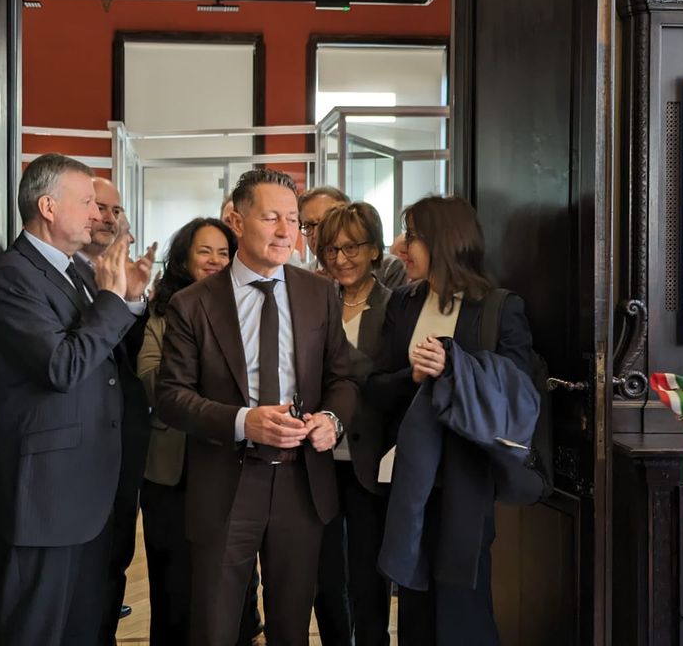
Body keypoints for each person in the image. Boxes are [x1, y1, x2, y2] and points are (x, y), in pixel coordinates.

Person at [155, 168, 356, 646]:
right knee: (215, 628)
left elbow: (343, 377)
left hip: (301, 484)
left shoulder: (319, 294)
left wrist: (332, 420)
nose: (287, 231)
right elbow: (171, 397)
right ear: (236, 221)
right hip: (226, 484)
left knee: (291, 628)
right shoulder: (193, 304)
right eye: (271, 218)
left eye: (293, 219)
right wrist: (245, 422)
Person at [0, 153, 141, 646]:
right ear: (48, 207)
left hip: (89, 485)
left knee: (81, 629)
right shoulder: (13, 276)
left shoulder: (76, 270)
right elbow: (61, 367)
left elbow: (106, 358)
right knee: (38, 631)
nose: (97, 214)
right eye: (87, 202)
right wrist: (111, 301)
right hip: (48, 497)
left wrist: (128, 298)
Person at [365, 195, 536, 646]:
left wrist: (453, 368)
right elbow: (375, 385)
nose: (402, 247)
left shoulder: (498, 306)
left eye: (413, 236)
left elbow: (518, 390)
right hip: (409, 475)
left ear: (444, 240)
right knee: (415, 601)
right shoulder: (403, 303)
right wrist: (414, 375)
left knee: (463, 601)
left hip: (468, 473)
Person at [137, 217, 237, 646]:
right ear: (183, 258)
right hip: (170, 469)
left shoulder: (245, 309)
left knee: (223, 587)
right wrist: (198, 383)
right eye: (204, 251)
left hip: (227, 466)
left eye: (223, 252)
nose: (215, 260)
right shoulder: (161, 309)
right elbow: (149, 378)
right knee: (171, 587)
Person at [76, 177, 156, 643]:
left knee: (116, 551)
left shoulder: (126, 273)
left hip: (123, 434)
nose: (107, 218)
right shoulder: (63, 273)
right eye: (98, 207)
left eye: (115, 210)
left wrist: (135, 300)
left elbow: (133, 359)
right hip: (75, 442)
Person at [312, 202, 395, 646]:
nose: (340, 259)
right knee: (325, 577)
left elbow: (392, 382)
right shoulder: (313, 301)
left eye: (352, 248)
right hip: (318, 457)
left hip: (371, 458)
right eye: (331, 249)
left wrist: (343, 360)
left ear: (375, 250)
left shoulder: (395, 306)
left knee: (367, 576)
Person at [298, 186, 407, 289]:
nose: (316, 233)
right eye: (308, 226)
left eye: (325, 222)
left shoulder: (389, 268)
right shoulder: (300, 277)